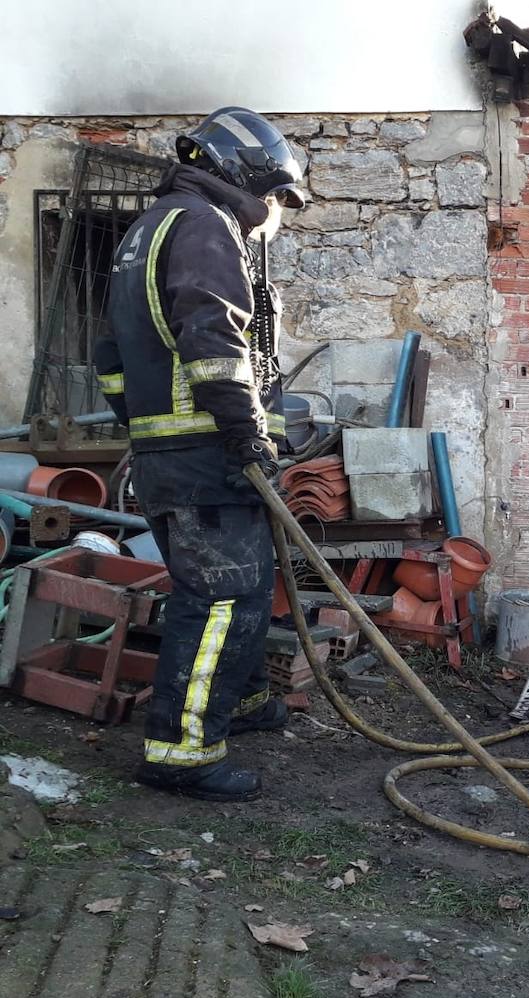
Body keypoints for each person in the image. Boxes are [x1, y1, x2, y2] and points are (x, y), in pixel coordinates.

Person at [95, 107, 306, 801]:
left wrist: (151, 430)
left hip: (168, 457)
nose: (275, 213)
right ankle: (181, 751)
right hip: (207, 458)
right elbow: (215, 340)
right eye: (276, 197)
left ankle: (241, 703)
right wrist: (245, 431)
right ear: (251, 176)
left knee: (244, 584)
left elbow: (108, 361)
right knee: (220, 599)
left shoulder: (146, 230)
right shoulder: (205, 227)